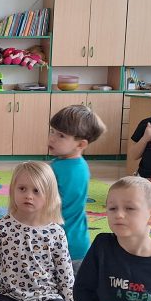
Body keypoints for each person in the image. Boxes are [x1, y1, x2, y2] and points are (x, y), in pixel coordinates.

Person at [0, 161, 81, 301]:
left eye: (36, 191)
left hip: (46, 297)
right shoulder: (1, 227)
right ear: (13, 190)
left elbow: (65, 274)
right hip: (10, 296)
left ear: (48, 195)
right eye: (22, 189)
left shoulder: (55, 232)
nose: (28, 195)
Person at [48, 104, 107, 271]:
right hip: (70, 240)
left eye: (61, 135)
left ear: (80, 144)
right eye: (52, 131)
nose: (52, 138)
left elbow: (55, 206)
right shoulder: (69, 164)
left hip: (66, 244)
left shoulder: (71, 170)